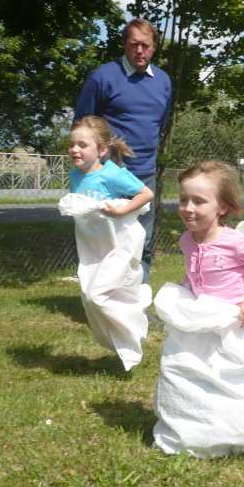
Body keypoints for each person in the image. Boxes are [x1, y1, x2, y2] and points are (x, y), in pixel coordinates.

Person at [152, 161, 244, 457]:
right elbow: (194, 273)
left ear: (222, 207)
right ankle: (193, 425)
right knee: (183, 370)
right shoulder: (186, 240)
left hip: (235, 322)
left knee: (232, 377)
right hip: (201, 320)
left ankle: (237, 427)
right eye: (183, 199)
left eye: (199, 201)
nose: (188, 208)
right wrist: (187, 293)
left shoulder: (236, 243)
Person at [73, 18, 172, 283]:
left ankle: (137, 297)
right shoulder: (102, 78)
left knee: (141, 240)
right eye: (134, 44)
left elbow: (160, 123)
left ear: (154, 47)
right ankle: (101, 297)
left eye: (146, 45)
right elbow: (82, 126)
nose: (140, 50)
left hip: (144, 175)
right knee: (105, 242)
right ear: (124, 44)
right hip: (107, 175)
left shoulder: (163, 81)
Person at [59, 116, 154, 371]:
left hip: (118, 246)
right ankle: (121, 338)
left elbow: (146, 194)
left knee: (97, 295)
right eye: (72, 144)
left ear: (102, 150)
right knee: (89, 297)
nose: (75, 150)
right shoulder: (74, 176)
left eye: (82, 145)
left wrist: (122, 211)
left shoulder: (112, 173)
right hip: (93, 248)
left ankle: (132, 335)